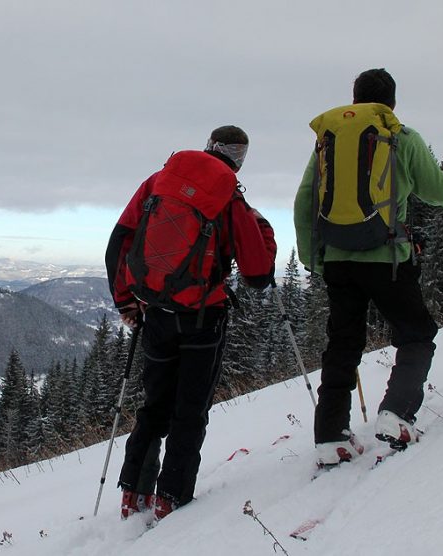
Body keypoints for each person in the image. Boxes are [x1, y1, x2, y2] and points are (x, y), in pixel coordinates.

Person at [293, 68, 443, 466]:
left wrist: (315, 259)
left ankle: (330, 436)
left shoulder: (326, 143)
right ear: (390, 102)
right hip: (389, 259)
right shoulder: (401, 137)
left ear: (355, 98)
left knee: (342, 345)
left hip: (339, 260)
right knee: (416, 333)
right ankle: (396, 413)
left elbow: (305, 199)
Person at [105, 125, 277, 519]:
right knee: (190, 409)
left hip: (155, 314)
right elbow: (258, 274)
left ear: (208, 145)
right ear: (238, 158)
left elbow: (118, 243)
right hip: (202, 318)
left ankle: (134, 492)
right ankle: (172, 497)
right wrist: (263, 230)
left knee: (154, 405)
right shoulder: (229, 197)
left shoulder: (158, 181)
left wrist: (126, 304)